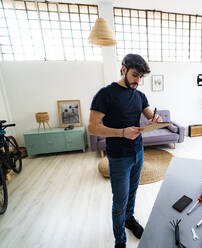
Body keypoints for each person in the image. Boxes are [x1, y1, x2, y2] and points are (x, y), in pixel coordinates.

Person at [88, 54, 162, 248]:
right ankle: (120, 241)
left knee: (133, 192)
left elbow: (150, 116)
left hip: (138, 152)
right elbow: (92, 127)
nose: (137, 81)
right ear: (123, 70)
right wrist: (121, 132)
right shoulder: (105, 94)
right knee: (119, 201)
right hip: (119, 157)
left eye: (141, 77)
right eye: (135, 75)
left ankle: (130, 220)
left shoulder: (139, 95)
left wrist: (156, 119)